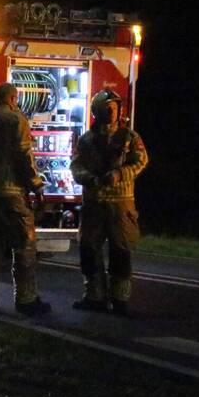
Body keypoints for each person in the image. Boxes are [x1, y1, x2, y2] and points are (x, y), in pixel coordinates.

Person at [0, 82, 51, 316]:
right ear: (14, 98)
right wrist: (36, 185)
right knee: (25, 244)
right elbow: (24, 156)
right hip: (12, 194)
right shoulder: (17, 120)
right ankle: (26, 299)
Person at [69, 88, 148, 316]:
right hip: (94, 203)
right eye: (108, 108)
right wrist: (90, 179)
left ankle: (120, 299)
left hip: (121, 205)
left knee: (120, 252)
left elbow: (141, 161)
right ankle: (94, 296)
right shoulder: (86, 141)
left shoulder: (129, 137)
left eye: (115, 107)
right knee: (89, 250)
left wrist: (121, 174)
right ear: (97, 111)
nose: (112, 111)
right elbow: (76, 166)